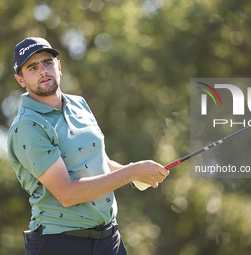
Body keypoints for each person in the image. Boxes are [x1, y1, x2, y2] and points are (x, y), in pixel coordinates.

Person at [7, 37, 170, 255]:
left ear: (59, 67)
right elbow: (67, 194)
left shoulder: (79, 104)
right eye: (32, 67)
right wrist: (132, 172)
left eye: (47, 63)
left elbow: (97, 160)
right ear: (21, 79)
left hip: (109, 239)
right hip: (61, 243)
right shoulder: (27, 127)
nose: (43, 71)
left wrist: (134, 173)